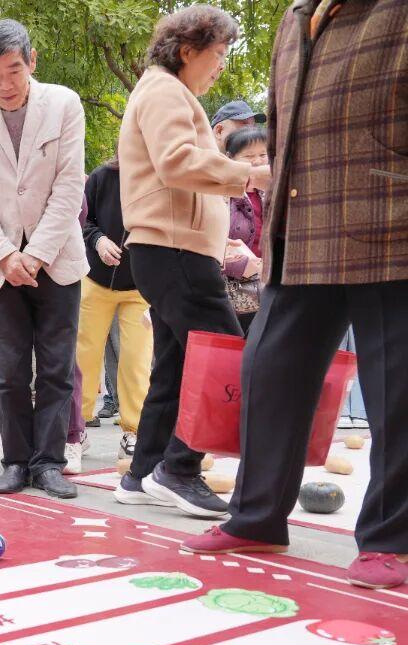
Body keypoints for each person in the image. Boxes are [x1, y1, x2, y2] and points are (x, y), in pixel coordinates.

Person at [184, 0, 408, 591]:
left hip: (390, 223)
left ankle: (391, 539)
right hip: (301, 231)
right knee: (269, 373)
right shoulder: (296, 17)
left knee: (397, 391)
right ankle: (257, 518)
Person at [115, 4, 271, 516]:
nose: (221, 65)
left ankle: (142, 473)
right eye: (218, 54)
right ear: (187, 51)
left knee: (176, 366)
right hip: (174, 247)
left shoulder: (166, 90)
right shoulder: (165, 91)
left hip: (170, 248)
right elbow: (177, 161)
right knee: (224, 356)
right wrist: (249, 174)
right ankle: (179, 469)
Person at [0, 19, 88, 498]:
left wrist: (38, 254)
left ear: (32, 61)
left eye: (14, 70)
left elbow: (69, 185)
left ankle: (49, 462)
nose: (5, 84)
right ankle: (15, 461)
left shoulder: (64, 104)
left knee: (56, 368)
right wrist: (7, 255)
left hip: (58, 259)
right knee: (7, 371)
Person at [77, 155, 152, 466]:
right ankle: (75, 428)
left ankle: (133, 431)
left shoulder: (160, 177)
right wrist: (98, 241)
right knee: (84, 355)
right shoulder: (101, 176)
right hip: (95, 280)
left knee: (137, 359)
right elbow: (83, 221)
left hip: (141, 285)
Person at [221, 125, 268, 333]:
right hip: (233, 287)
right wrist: (243, 264)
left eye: (263, 155)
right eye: (249, 156)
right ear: (230, 159)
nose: (257, 161)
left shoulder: (274, 193)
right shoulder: (221, 195)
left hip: (270, 285)